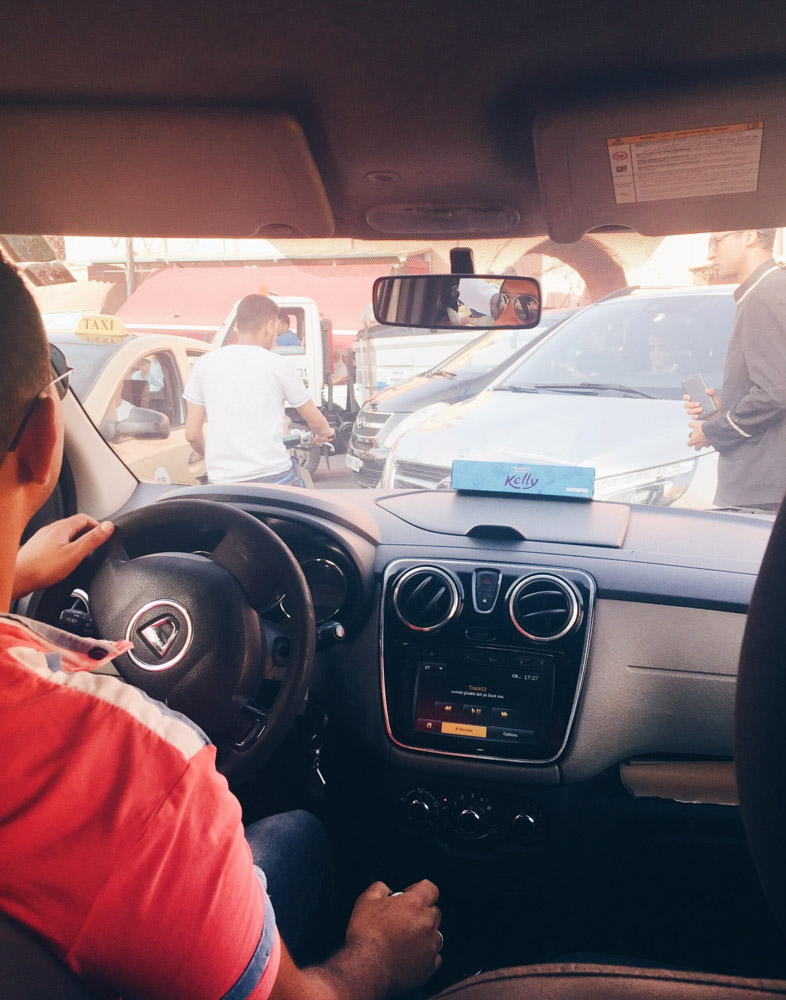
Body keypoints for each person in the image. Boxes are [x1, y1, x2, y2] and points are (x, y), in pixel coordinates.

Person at [0, 254, 443, 999]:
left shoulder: (207, 370)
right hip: (272, 481)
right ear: (48, 442)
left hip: (221, 474)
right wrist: (377, 957)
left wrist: (12, 576)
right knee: (300, 831)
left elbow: (198, 438)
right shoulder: (137, 774)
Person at [184, 294, 335, 486]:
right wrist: (324, 432)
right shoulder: (278, 365)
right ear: (270, 326)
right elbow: (316, 422)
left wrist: (210, 456)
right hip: (274, 478)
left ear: (237, 326)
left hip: (222, 483)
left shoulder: (204, 364)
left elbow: (192, 434)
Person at [684, 229, 786, 511]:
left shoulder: (765, 293)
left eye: (716, 241)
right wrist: (722, 409)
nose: (709, 253)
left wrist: (715, 430)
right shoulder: (769, 288)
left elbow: (775, 393)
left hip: (760, 484)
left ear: (750, 235)